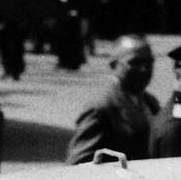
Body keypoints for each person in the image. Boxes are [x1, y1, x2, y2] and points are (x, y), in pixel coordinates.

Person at [66, 35, 160, 164]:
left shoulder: (150, 103)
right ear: (113, 65)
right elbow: (78, 163)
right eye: (135, 63)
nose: (144, 69)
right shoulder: (101, 107)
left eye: (149, 62)